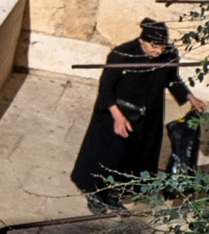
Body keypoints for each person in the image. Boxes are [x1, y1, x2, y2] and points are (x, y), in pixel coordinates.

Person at [71, 18, 195, 210]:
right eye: (154, 47)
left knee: (132, 158)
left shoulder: (169, 55)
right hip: (117, 113)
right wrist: (118, 117)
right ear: (142, 41)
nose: (158, 51)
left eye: (162, 47)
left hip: (147, 116)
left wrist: (190, 97)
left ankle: (113, 193)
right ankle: (95, 194)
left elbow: (173, 79)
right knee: (108, 155)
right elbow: (105, 89)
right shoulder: (122, 54)